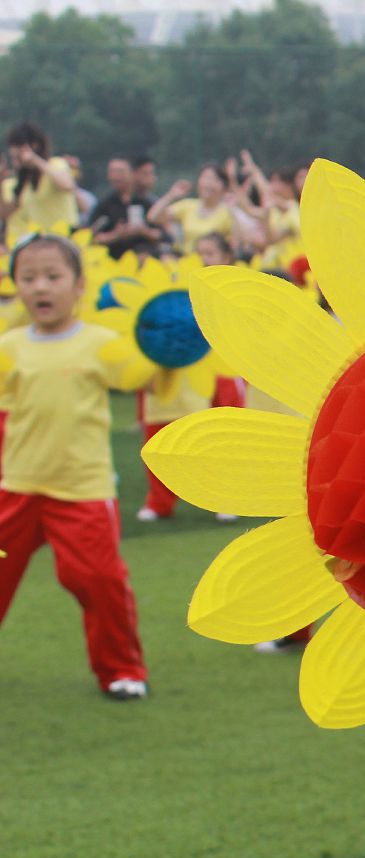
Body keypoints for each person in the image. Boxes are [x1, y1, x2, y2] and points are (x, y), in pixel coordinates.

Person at [0, 236, 148, 699]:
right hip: (17, 484)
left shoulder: (100, 343)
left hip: (82, 488)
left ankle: (122, 671)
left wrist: (169, 346)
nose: (40, 287)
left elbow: (140, 374)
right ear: (15, 286)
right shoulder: (9, 346)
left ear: (79, 285)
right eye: (28, 278)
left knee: (99, 581)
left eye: (52, 277)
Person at [135, 234, 246, 524]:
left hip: (220, 369)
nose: (202, 258)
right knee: (160, 438)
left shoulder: (232, 289)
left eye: (209, 252)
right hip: (175, 373)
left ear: (226, 256)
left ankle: (225, 497)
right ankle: (160, 503)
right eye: (198, 252)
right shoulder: (174, 295)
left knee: (218, 437)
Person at [1, 123, 81, 237]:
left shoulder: (56, 164)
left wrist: (35, 160)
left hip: (65, 236)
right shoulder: (24, 182)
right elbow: (7, 214)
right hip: (41, 240)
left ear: (34, 146)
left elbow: (68, 186)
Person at [86, 156, 163, 260]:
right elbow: (91, 237)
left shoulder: (146, 203)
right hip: (111, 258)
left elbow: (161, 236)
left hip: (143, 257)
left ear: (133, 174)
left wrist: (142, 230)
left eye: (120, 172)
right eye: (111, 172)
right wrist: (116, 235)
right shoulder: (104, 205)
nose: (115, 177)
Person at [155, 164, 236, 252]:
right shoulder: (188, 205)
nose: (209, 183)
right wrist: (171, 195)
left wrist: (233, 211)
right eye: (206, 178)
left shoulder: (227, 210)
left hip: (215, 265)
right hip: (187, 262)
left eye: (215, 179)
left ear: (224, 187)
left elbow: (239, 241)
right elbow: (154, 217)